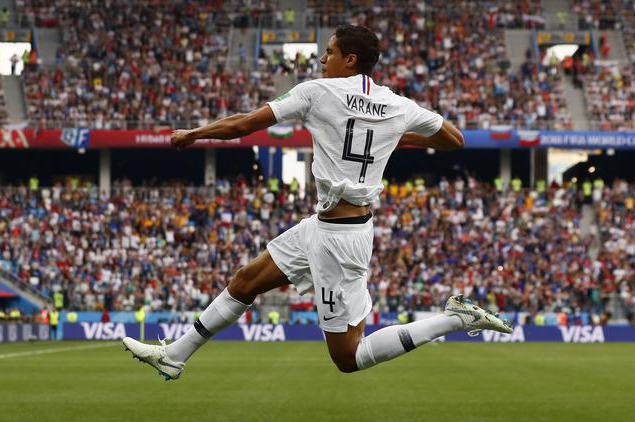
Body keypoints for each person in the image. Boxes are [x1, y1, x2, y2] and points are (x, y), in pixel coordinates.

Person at [123, 25, 512, 381]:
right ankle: (174, 356)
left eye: (329, 52)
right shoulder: (398, 105)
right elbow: (455, 139)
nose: (322, 59)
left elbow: (244, 124)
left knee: (348, 357)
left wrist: (194, 133)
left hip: (341, 241)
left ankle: (454, 319)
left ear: (350, 59)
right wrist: (399, 137)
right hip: (325, 226)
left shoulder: (316, 91)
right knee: (246, 281)